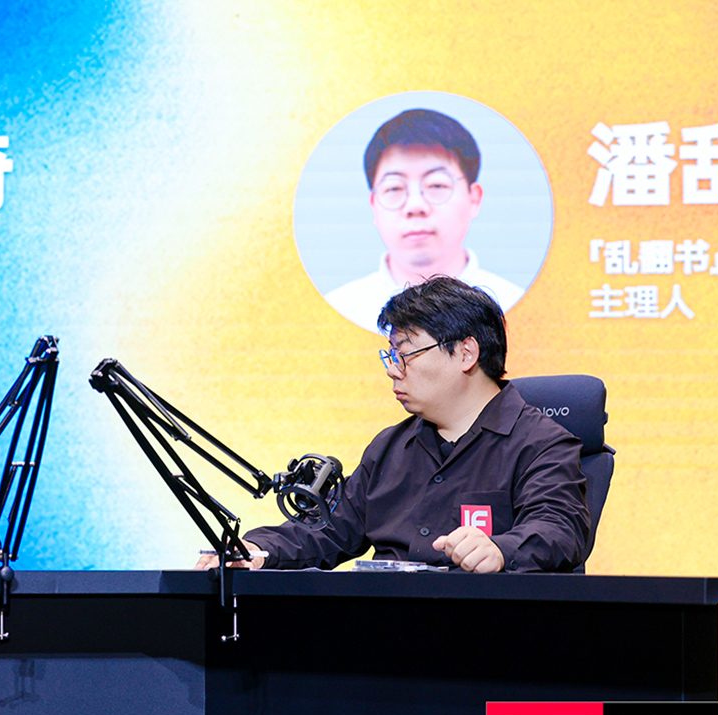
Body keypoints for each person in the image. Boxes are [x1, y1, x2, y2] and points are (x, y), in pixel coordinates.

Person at [199, 276, 589, 573]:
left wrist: (501, 549)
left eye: (406, 354)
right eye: (390, 356)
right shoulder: (390, 447)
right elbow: (329, 529)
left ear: (466, 353)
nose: (393, 371)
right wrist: (257, 549)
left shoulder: (541, 443)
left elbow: (559, 528)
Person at [324, 109, 526, 333]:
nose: (415, 206)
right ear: (373, 205)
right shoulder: (341, 309)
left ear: (474, 199)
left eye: (437, 185)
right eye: (394, 188)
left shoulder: (512, 303)